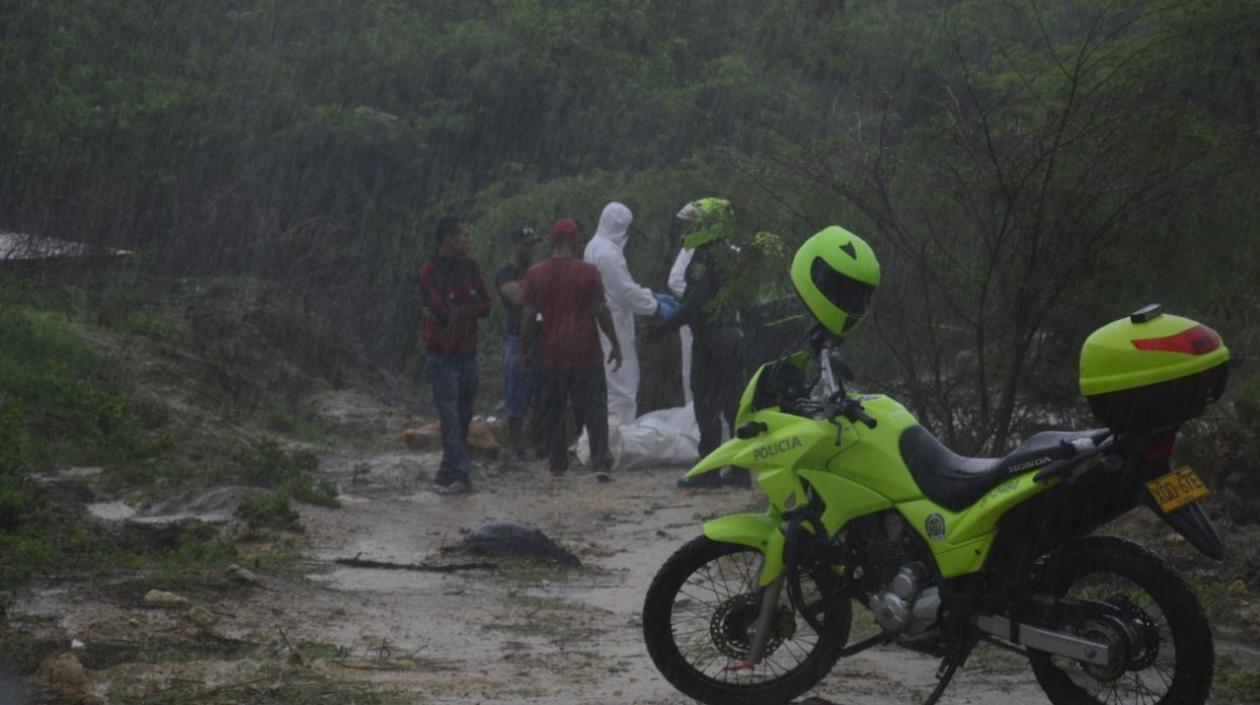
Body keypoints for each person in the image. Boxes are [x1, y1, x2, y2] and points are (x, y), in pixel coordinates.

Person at [650, 198, 750, 489]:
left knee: (706, 403)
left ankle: (708, 469)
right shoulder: (732, 255)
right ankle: (740, 468)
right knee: (733, 405)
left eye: (697, 223)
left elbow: (693, 304)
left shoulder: (703, 259)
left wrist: (663, 328)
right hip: (732, 335)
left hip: (711, 339)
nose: (691, 229)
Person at [522, 219, 623, 480]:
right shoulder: (589, 272)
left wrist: (525, 351)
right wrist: (615, 342)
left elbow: (529, 315)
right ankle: (600, 461)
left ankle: (557, 464)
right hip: (585, 351)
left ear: (552, 241)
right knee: (594, 407)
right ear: (576, 241)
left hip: (551, 352)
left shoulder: (535, 273)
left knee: (554, 409)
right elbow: (600, 309)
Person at [583, 202, 678, 425]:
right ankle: (619, 440)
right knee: (622, 386)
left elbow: (620, 286)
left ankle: (604, 441)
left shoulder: (595, 246)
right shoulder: (608, 253)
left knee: (611, 386)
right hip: (613, 323)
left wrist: (649, 294)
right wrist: (654, 306)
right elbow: (624, 291)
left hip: (605, 320)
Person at [418, 216, 491, 495]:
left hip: (467, 354)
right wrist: (465, 307)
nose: (468, 240)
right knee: (449, 417)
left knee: (462, 417)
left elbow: (486, 305)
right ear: (447, 238)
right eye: (463, 235)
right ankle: (461, 475)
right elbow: (441, 311)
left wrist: (460, 309)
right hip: (441, 356)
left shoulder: (470, 268)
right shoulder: (429, 272)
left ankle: (444, 473)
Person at [494, 226, 541, 462]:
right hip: (517, 338)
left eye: (534, 244)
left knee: (540, 395)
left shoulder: (536, 271)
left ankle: (538, 444)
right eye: (527, 244)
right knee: (516, 395)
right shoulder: (505, 272)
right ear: (516, 245)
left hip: (542, 338)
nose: (532, 249)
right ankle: (515, 446)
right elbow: (520, 298)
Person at [667, 246, 694, 405]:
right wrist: (702, 295)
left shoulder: (731, 249)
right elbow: (675, 280)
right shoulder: (690, 249)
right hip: (695, 317)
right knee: (693, 369)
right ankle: (693, 418)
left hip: (723, 322)